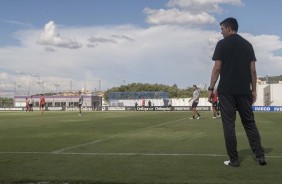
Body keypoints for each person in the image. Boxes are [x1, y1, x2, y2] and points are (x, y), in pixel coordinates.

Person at [208, 17, 266, 167]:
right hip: (244, 91)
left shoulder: (222, 44)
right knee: (250, 123)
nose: (221, 32)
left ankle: (234, 160)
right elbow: (252, 70)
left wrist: (210, 88)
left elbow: (217, 68)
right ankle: (260, 156)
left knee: (229, 125)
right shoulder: (248, 45)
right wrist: (254, 90)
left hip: (226, 91)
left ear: (228, 28)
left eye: (221, 29)